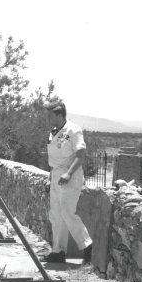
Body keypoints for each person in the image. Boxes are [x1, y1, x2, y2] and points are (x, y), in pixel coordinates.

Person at [42, 100, 93, 264]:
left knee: (67, 212)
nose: (48, 119)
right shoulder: (55, 131)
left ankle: (86, 245)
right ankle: (58, 251)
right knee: (56, 215)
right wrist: (52, 178)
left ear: (59, 114)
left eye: (50, 116)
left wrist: (69, 174)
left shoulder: (73, 130)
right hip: (56, 175)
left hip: (70, 176)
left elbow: (81, 153)